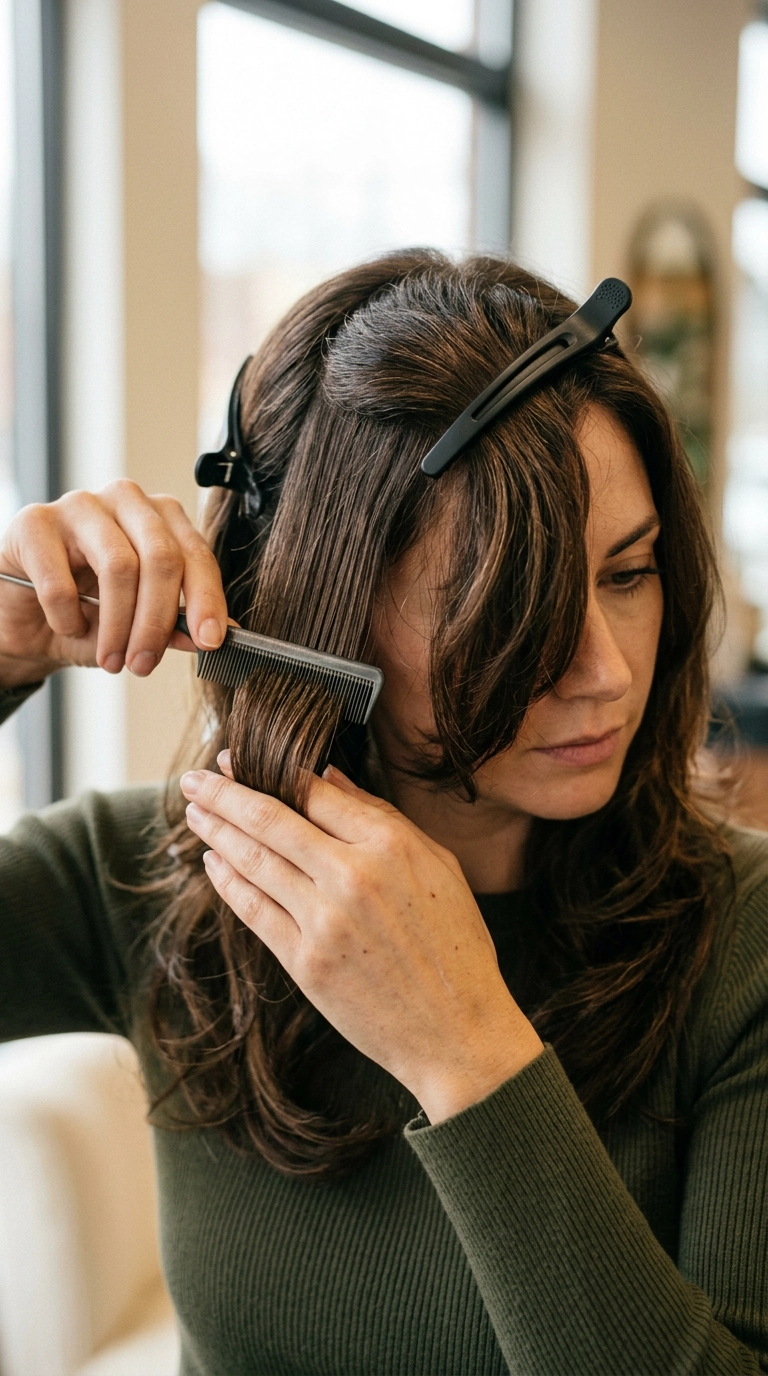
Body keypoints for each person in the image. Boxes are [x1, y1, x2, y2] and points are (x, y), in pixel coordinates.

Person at [0, 251, 765, 1376]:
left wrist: (469, 1051)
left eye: (630, 571)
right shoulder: (160, 875)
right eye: (513, 603)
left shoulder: (745, 945)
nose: (604, 669)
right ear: (328, 611)